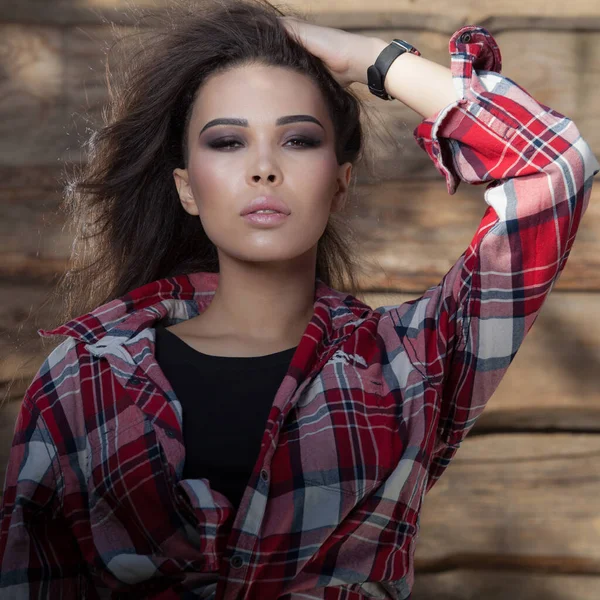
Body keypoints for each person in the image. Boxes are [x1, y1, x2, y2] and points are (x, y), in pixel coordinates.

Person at [0, 0, 598, 598]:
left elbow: (555, 166)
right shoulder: (85, 375)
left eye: (298, 140)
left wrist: (371, 58)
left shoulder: (411, 362)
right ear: (187, 188)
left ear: (340, 183)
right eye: (229, 142)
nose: (263, 168)